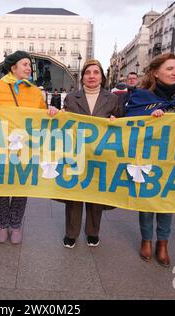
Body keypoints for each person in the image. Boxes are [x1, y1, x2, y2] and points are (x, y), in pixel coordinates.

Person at [126, 53, 175, 267]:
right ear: (156, 73)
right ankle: (146, 240)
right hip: (148, 157)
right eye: (169, 68)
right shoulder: (141, 97)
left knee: (167, 200)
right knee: (148, 199)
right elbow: (130, 120)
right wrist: (150, 119)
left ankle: (163, 243)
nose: (174, 72)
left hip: (174, 158)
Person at [0, 50, 47, 244]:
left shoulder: (35, 91)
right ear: (13, 67)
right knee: (2, 185)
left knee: (21, 186)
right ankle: (3, 224)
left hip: (26, 146)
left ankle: (16, 224)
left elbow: (42, 116)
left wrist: (51, 112)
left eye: (30, 65)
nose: (29, 68)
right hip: (1, 145)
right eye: (24, 64)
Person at [58, 59, 122, 249]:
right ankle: (71, 233)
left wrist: (116, 120)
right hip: (76, 153)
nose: (92, 76)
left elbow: (123, 124)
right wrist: (56, 114)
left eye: (96, 72)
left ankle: (93, 232)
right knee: (75, 194)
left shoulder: (112, 99)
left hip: (101, 155)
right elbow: (65, 122)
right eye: (88, 73)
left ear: (102, 77)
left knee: (96, 194)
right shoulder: (71, 98)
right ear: (82, 77)